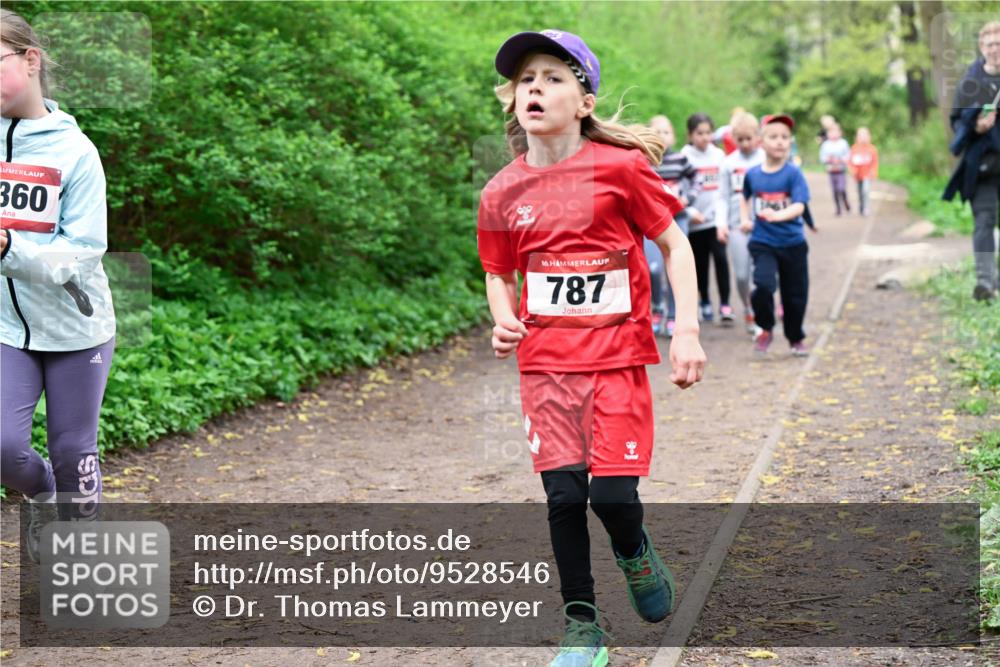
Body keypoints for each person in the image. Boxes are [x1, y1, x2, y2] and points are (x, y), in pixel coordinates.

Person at [479, 29, 706, 666]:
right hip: (546, 368)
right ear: (512, 99)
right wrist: (503, 318)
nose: (536, 89)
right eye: (527, 79)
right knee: (562, 497)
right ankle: (583, 626)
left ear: (584, 100)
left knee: (610, 498)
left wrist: (684, 329)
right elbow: (499, 272)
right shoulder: (501, 192)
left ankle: (634, 551)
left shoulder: (620, 169)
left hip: (616, 361)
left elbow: (676, 245)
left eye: (554, 77)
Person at [0, 10, 116, 561]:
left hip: (77, 330)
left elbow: (83, 253)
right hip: (6, 329)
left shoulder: (77, 153)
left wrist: (8, 250)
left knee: (74, 452)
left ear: (30, 58)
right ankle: (42, 491)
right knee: (3, 448)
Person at [740, 114, 816, 356]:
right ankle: (765, 328)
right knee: (762, 286)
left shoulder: (793, 174)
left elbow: (800, 206)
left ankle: (795, 338)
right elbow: (745, 197)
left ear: (790, 142)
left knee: (795, 295)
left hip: (793, 243)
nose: (780, 142)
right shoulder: (753, 174)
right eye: (774, 137)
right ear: (761, 142)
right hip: (763, 242)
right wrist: (744, 219)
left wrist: (778, 216)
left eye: (785, 137)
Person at [943, 20, 1000, 302]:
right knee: (984, 222)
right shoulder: (969, 83)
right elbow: (956, 122)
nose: (995, 49)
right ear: (982, 47)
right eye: (990, 44)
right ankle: (985, 283)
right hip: (982, 166)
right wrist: (976, 127)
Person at [649, 114, 700, 337]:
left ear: (674, 136)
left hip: (677, 219)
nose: (662, 136)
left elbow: (696, 179)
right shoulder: (643, 161)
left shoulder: (680, 159)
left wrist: (689, 198)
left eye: (666, 132)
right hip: (651, 222)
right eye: (657, 131)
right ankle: (657, 306)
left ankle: (672, 315)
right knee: (654, 268)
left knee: (675, 267)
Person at [716, 111, 765, 334]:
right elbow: (723, 197)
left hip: (763, 226)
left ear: (758, 137)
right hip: (737, 227)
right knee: (743, 275)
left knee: (760, 275)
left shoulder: (764, 159)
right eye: (741, 139)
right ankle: (747, 306)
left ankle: (759, 315)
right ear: (733, 139)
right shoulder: (728, 163)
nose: (745, 144)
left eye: (750, 138)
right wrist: (721, 223)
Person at [682, 113, 732, 324]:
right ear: (691, 135)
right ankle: (705, 302)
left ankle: (725, 304)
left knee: (721, 260)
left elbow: (723, 192)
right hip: (694, 223)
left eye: (708, 133)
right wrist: (690, 213)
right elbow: (682, 190)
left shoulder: (719, 156)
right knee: (700, 265)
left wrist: (722, 220)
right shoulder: (685, 157)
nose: (704, 137)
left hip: (715, 221)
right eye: (699, 133)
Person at [819, 123, 851, 215]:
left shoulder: (843, 143)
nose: (833, 134)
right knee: (834, 190)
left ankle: (845, 200)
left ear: (840, 133)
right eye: (831, 132)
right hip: (831, 171)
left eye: (835, 132)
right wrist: (828, 159)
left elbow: (848, 155)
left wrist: (840, 160)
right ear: (828, 134)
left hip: (841, 170)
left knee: (841, 188)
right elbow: (822, 157)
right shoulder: (826, 144)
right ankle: (838, 208)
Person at [849, 127, 879, 217]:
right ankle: (861, 206)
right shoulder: (854, 148)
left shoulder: (872, 149)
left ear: (869, 137)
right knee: (860, 192)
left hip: (868, 175)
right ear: (857, 137)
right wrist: (852, 170)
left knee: (866, 190)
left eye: (865, 135)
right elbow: (850, 161)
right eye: (861, 135)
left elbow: (875, 162)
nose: (863, 138)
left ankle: (866, 207)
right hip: (858, 175)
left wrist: (873, 171)